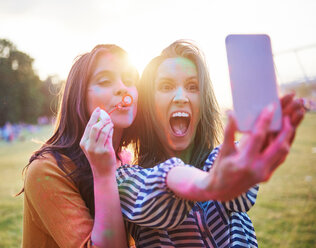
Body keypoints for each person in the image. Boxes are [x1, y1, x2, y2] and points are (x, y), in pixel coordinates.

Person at [114, 40, 305, 247]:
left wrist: (253, 143)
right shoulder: (126, 180)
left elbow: (240, 190)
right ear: (148, 106)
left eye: (192, 86)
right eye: (166, 86)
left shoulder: (219, 160)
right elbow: (158, 195)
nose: (181, 97)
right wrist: (209, 184)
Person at [20, 44, 139, 248]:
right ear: (79, 98)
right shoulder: (46, 170)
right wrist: (104, 173)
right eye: (105, 81)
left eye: (129, 80)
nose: (122, 88)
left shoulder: (126, 160)